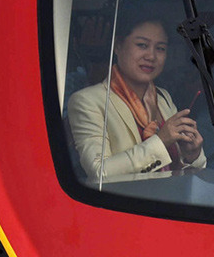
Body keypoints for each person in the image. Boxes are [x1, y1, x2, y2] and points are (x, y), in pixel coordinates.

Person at [67, 12, 206, 181]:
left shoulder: (163, 97)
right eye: (142, 45)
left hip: (170, 203)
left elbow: (187, 175)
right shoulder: (87, 101)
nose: (151, 56)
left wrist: (191, 155)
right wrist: (160, 141)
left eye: (160, 48)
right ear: (118, 46)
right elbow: (99, 173)